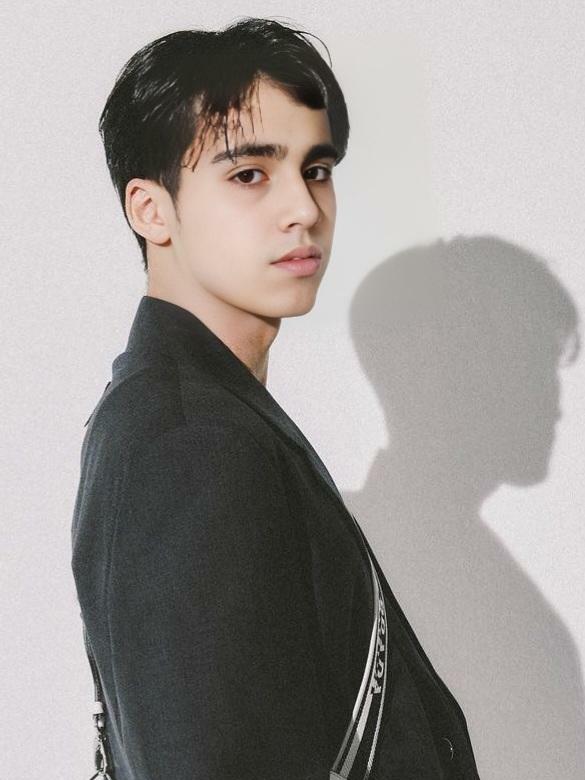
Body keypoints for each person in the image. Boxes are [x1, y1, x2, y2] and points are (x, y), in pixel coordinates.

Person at [70, 16, 480, 780]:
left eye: (315, 169)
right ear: (150, 209)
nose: (304, 208)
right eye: (249, 174)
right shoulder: (191, 444)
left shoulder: (204, 414)